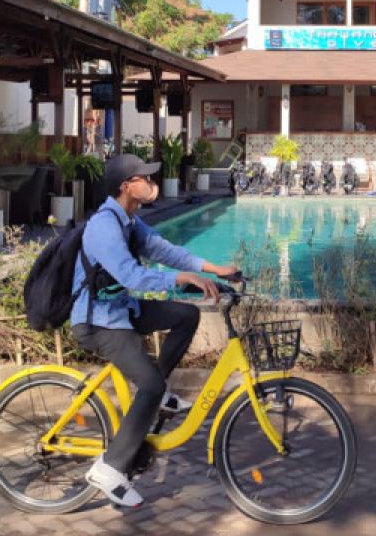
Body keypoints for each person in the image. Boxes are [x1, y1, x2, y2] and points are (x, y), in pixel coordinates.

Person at [73, 153, 238, 507]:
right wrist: (178, 278)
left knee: (185, 317)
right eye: (144, 178)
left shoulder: (129, 220)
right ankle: (110, 467)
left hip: (122, 310)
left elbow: (165, 250)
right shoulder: (104, 226)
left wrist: (213, 269)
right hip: (99, 320)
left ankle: (157, 396)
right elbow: (131, 276)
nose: (151, 183)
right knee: (148, 384)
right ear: (125, 186)